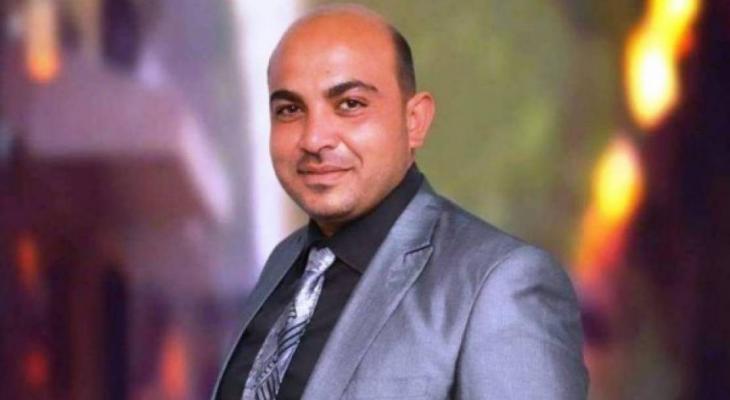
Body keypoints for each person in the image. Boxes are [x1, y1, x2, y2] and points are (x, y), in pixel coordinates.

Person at [213, 5, 587, 400]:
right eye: (290, 110)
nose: (314, 138)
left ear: (415, 121)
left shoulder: (500, 284)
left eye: (350, 104)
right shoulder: (286, 263)